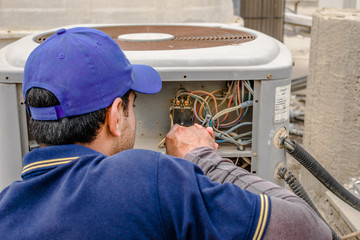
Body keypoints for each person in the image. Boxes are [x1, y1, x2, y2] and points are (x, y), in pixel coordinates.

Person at [0, 27, 331, 239]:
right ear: (116, 116)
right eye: (133, 103)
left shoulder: (6, 207)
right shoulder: (147, 178)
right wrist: (204, 160)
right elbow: (310, 230)